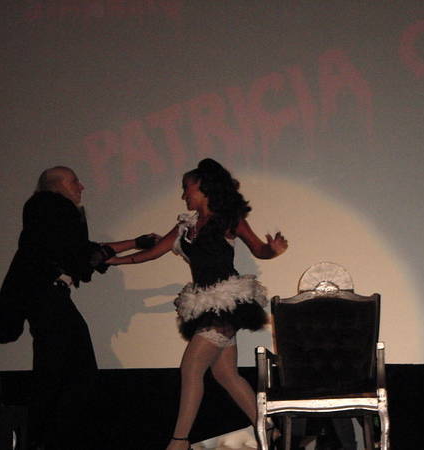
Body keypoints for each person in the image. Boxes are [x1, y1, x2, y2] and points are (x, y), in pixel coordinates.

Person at [105, 158, 288, 450]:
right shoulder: (185, 226)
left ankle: (179, 441)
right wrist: (114, 261)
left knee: (191, 368)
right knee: (225, 374)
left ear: (203, 187)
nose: (183, 195)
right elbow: (152, 253)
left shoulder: (229, 220)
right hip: (204, 304)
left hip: (227, 302)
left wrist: (272, 250)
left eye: (187, 188)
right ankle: (269, 431)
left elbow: (259, 249)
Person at [0, 166, 156, 450]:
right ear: (56, 186)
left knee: (62, 371)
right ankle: (43, 439)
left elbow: (81, 252)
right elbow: (82, 254)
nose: (81, 186)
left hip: (49, 298)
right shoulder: (51, 208)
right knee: (68, 372)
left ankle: (44, 438)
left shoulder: (48, 214)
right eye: (74, 181)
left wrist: (134, 244)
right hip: (48, 298)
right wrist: (132, 246)